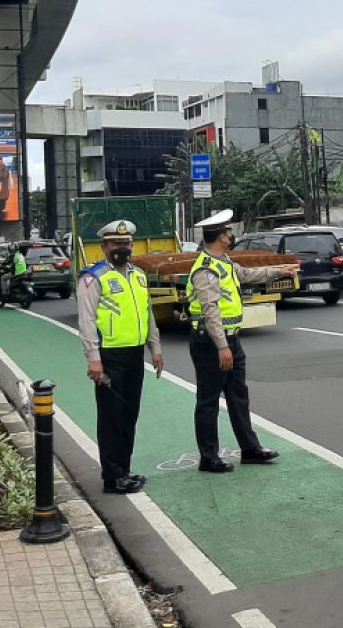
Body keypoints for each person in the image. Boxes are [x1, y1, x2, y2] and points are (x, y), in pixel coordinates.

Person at [187, 209, 299, 473]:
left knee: (239, 397)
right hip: (211, 343)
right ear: (220, 237)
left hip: (231, 340)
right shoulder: (205, 270)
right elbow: (210, 311)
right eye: (228, 231)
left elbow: (247, 275)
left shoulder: (224, 262)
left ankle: (250, 449)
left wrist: (279, 270)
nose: (231, 235)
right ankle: (208, 457)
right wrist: (222, 346)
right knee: (209, 401)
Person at [77, 220, 163, 494]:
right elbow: (87, 321)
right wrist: (94, 358)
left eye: (126, 244)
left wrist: (155, 347)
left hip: (135, 355)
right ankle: (112, 477)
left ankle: (123, 470)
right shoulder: (93, 278)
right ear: (104, 247)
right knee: (112, 419)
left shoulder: (138, 275)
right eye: (116, 244)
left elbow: (147, 313)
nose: (122, 248)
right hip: (109, 356)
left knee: (128, 416)